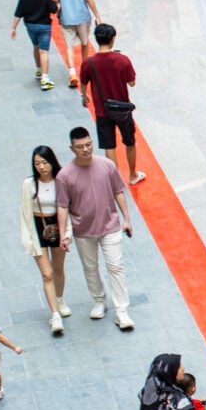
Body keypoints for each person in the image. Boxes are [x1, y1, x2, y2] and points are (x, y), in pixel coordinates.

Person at [56, 126, 136, 331]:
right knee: (90, 268)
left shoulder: (107, 165)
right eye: (80, 146)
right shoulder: (65, 175)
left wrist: (127, 218)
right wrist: (63, 233)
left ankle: (121, 310)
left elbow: (119, 191)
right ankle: (99, 299)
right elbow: (63, 205)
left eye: (88, 144)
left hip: (110, 225)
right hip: (83, 229)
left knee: (115, 266)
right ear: (72, 148)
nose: (85, 149)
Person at [18, 146, 74, 337]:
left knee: (58, 269)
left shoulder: (62, 181)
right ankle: (55, 314)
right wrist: (27, 238)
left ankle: (59, 299)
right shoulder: (29, 184)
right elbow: (24, 212)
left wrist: (67, 233)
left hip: (57, 227)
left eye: (44, 162)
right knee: (47, 274)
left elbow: (68, 208)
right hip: (38, 228)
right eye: (37, 163)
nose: (41, 167)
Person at [80, 23, 143, 185]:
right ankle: (133, 174)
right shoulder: (122, 60)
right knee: (129, 142)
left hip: (102, 110)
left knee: (109, 145)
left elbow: (83, 83)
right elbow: (132, 83)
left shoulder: (89, 62)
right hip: (122, 109)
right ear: (113, 39)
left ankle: (115, 179)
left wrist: (84, 97)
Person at [51, 0, 101, 87]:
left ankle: (72, 72)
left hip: (66, 17)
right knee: (84, 43)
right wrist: (97, 15)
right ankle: (85, 69)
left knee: (68, 45)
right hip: (82, 16)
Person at [9, 0, 61, 91]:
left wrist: (13, 27)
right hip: (44, 27)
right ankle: (45, 78)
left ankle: (38, 69)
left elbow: (18, 13)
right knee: (44, 51)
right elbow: (54, 9)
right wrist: (58, 3)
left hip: (30, 26)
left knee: (35, 46)